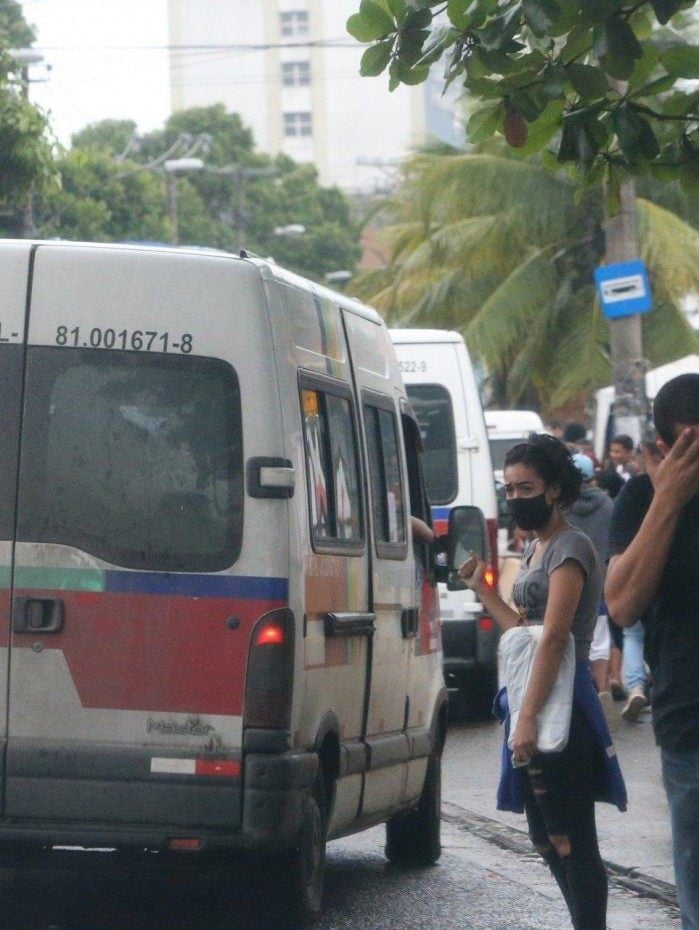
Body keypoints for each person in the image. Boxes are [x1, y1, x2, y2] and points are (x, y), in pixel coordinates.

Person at [459, 433, 626, 930]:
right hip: (532, 693)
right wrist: (481, 589)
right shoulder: (536, 549)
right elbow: (524, 630)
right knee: (543, 836)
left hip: (561, 701)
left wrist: (526, 718)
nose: (514, 499)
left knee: (569, 834)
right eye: (508, 490)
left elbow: (554, 638)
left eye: (525, 487)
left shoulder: (569, 548)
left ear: (554, 489)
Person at [605, 374, 699, 930]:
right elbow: (621, 605)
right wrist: (668, 496)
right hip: (690, 721)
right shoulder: (642, 498)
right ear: (664, 448)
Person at [567, 453, 618, 727]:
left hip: (568, 584)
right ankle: (602, 690)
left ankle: (575, 697)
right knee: (599, 643)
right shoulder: (607, 505)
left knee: (569, 642)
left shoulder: (562, 506)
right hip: (599, 584)